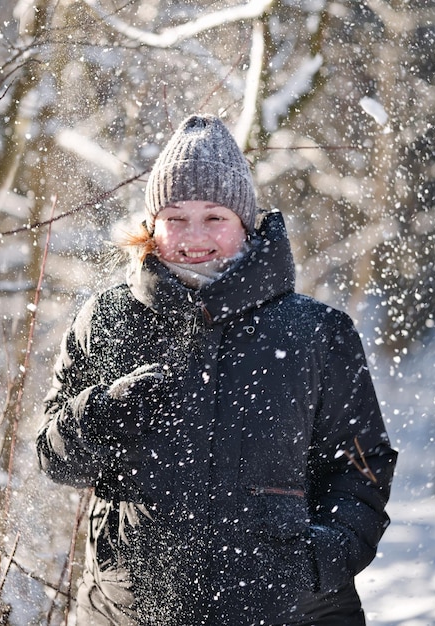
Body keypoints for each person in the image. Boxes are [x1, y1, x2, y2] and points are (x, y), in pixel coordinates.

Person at [36, 114, 397, 625]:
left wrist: (321, 559)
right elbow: (52, 456)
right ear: (151, 225)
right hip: (126, 614)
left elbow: (362, 466)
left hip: (296, 615)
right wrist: (99, 415)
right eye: (175, 217)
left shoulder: (316, 332)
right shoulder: (106, 320)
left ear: (245, 224)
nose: (193, 237)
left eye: (215, 217)